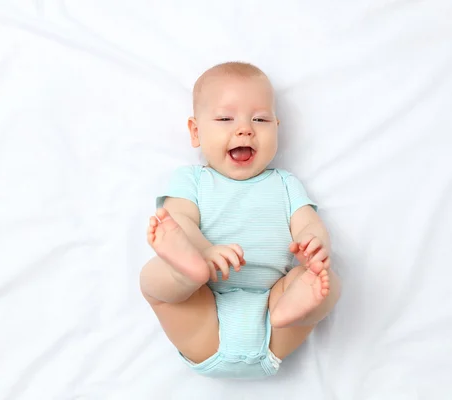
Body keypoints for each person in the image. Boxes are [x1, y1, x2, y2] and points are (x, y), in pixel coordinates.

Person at [139, 61, 341, 379]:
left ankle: (296, 304)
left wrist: (315, 247)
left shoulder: (286, 184)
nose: (245, 128)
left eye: (259, 119)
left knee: (326, 281)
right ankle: (187, 274)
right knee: (155, 278)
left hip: (274, 319)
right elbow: (179, 220)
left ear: (277, 125)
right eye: (224, 118)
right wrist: (204, 252)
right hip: (205, 310)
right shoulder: (192, 180)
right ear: (195, 131)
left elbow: (309, 224)